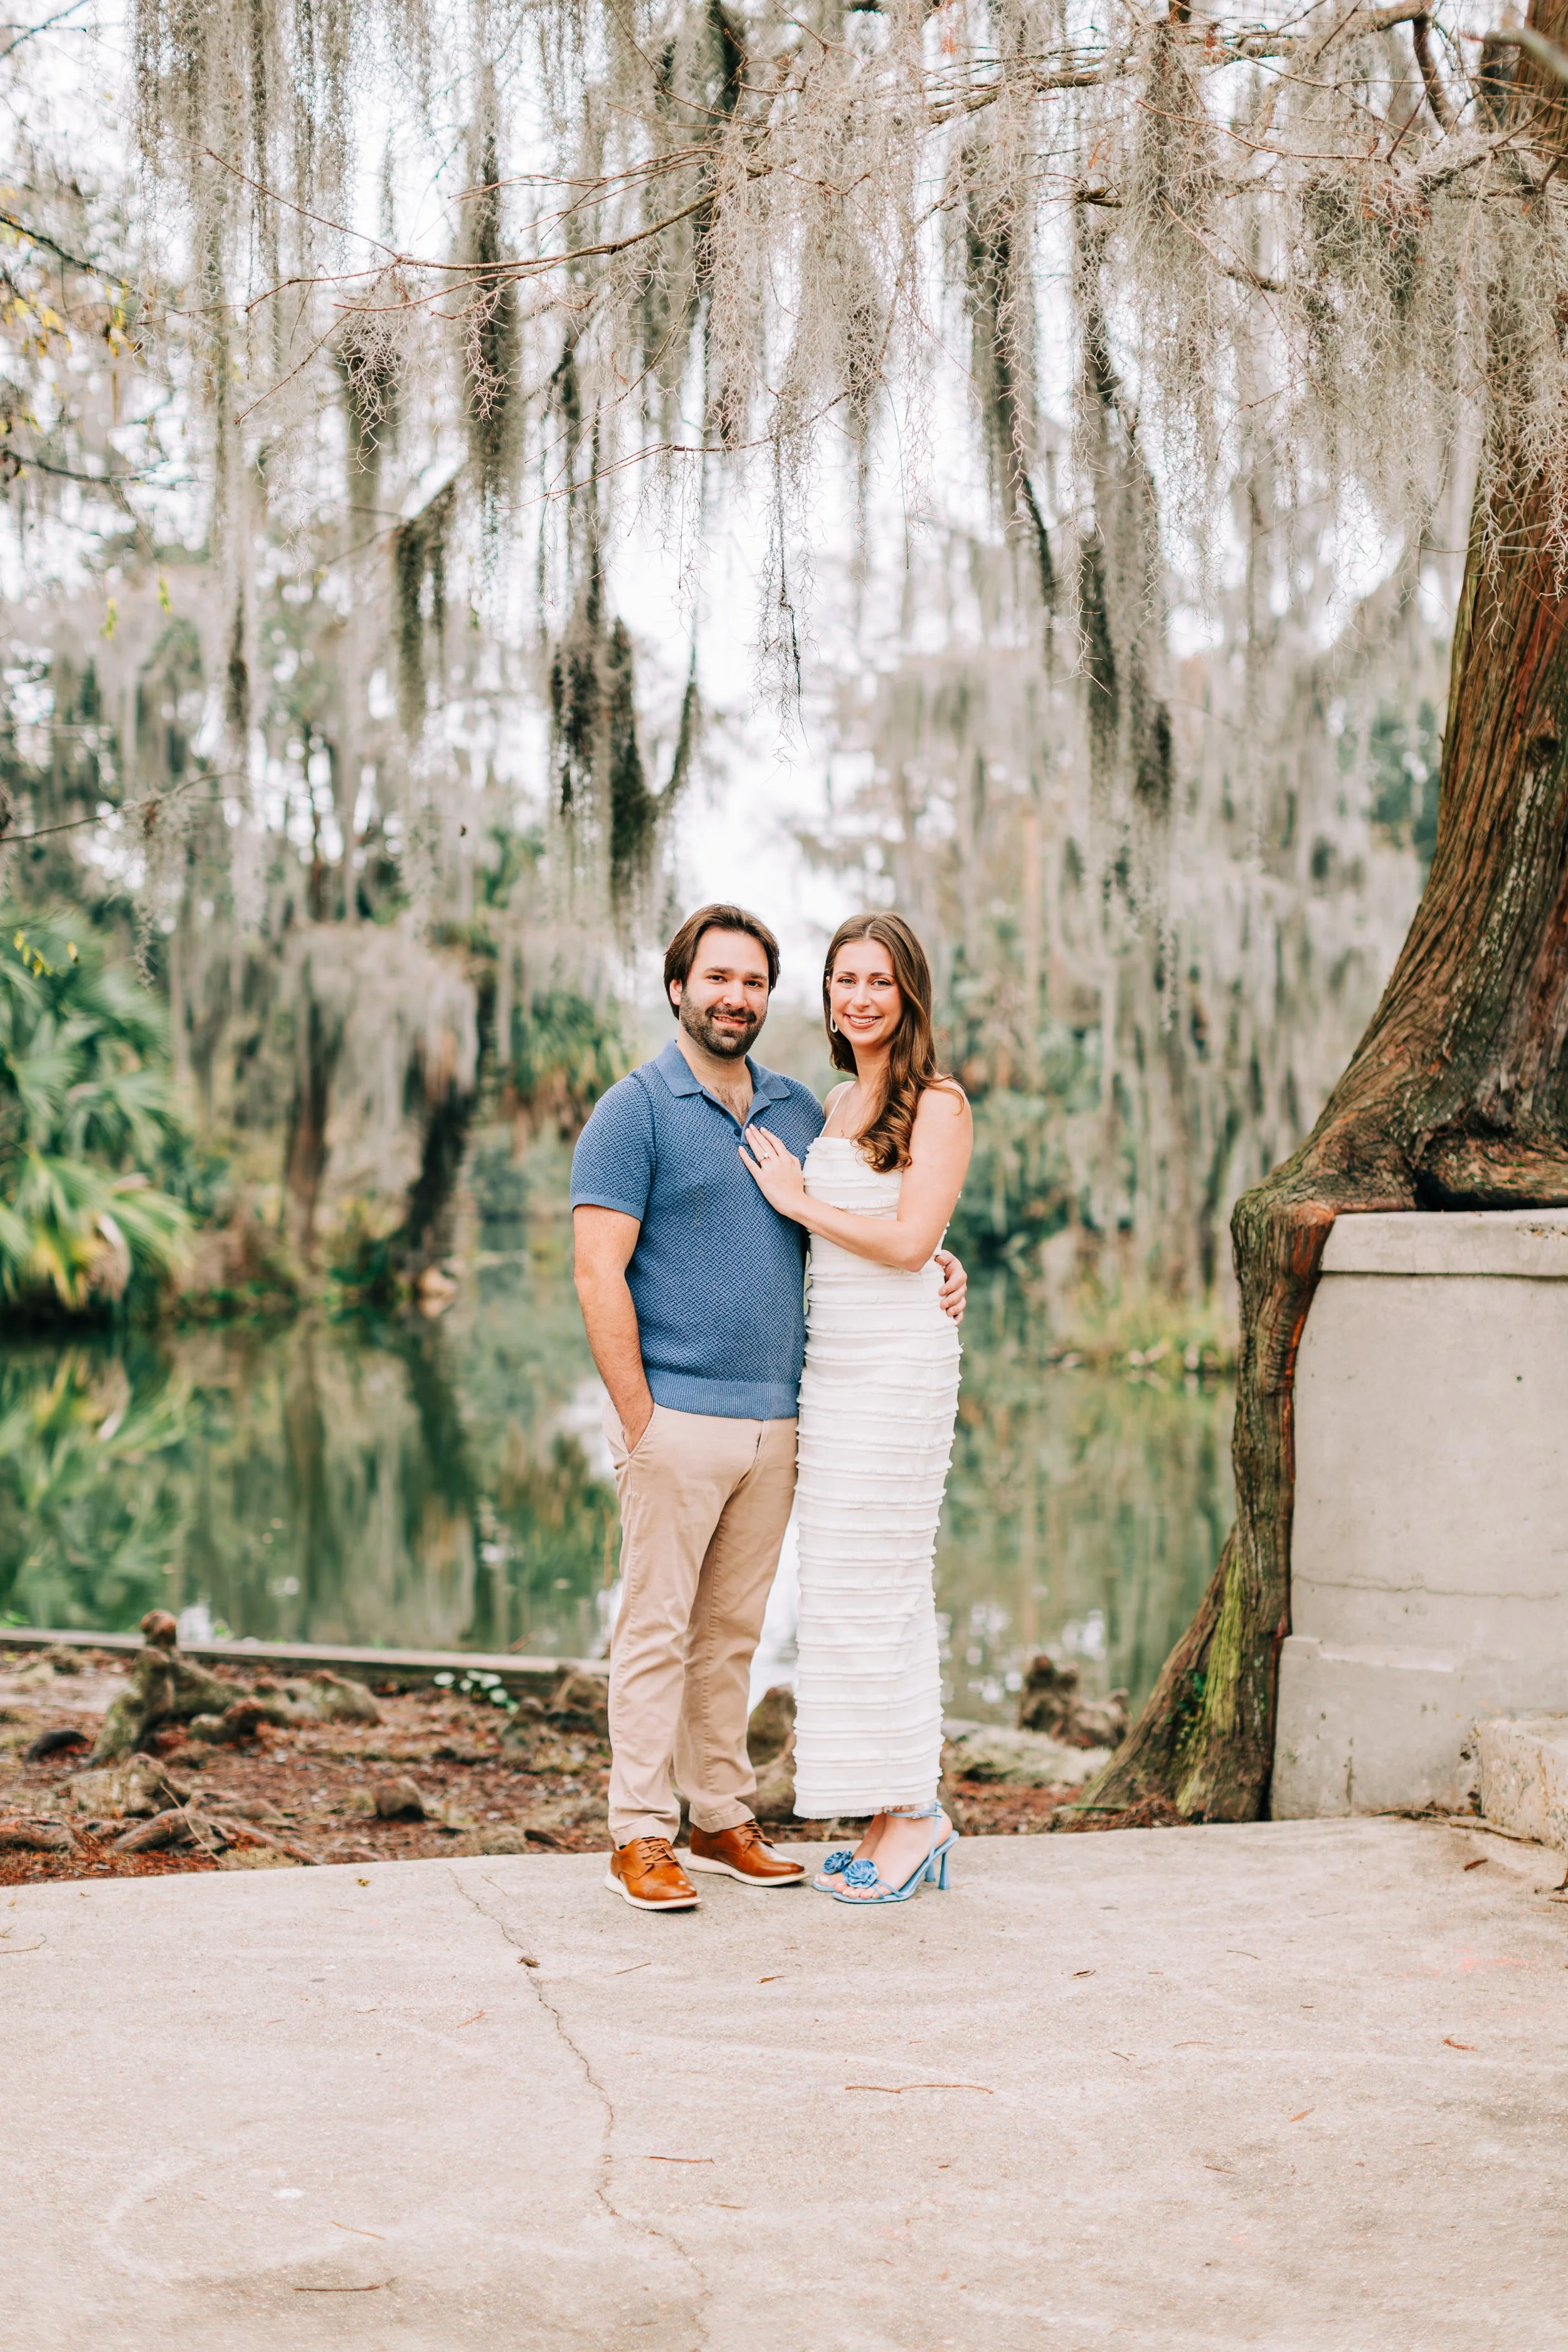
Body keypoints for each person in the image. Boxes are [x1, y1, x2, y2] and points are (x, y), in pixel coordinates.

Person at [569, 904, 968, 1913]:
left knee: (733, 1633)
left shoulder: (801, 1108)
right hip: (679, 1417)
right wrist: (638, 1415)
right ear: (678, 988)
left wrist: (938, 1264)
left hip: (787, 1418)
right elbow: (596, 1272)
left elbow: (870, 1219)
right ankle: (641, 1832)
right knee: (656, 1628)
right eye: (717, 979)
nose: (735, 997)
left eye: (753, 982)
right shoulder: (634, 1110)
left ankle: (719, 1812)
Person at [738, 912, 972, 1905]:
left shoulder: (940, 1102)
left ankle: (918, 1815)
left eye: (879, 980)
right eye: (844, 980)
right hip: (830, 1370)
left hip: (898, 1370)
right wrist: (819, 1215)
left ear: (908, 994)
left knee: (885, 1585)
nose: (860, 997)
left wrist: (802, 1204)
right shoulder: (836, 1102)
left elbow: (914, 1241)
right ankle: (887, 1810)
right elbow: (865, 1238)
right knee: (841, 1590)